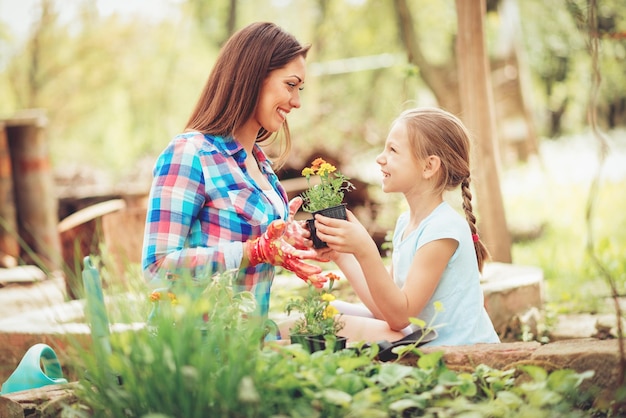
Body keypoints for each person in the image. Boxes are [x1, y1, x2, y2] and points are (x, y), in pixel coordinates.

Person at [141, 22, 326, 325]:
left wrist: (285, 239)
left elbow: (256, 247)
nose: (297, 101)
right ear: (254, 77)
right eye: (290, 85)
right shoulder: (191, 154)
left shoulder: (261, 165)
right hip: (194, 354)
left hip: (245, 350)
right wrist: (253, 251)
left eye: (299, 89)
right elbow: (157, 268)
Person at [312, 107, 500, 346]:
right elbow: (385, 308)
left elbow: (400, 316)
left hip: (458, 353)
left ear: (429, 166)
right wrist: (342, 255)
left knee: (333, 323)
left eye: (393, 150)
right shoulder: (406, 223)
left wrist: (365, 249)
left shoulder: (443, 230)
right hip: (419, 336)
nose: (381, 158)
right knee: (329, 309)